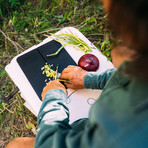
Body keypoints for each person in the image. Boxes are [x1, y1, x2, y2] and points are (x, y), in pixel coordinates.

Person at [6, 0, 148, 147]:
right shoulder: (140, 67)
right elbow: (132, 73)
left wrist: (53, 97)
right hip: (97, 127)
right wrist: (89, 79)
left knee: (15, 145)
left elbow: (48, 144)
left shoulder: (125, 134)